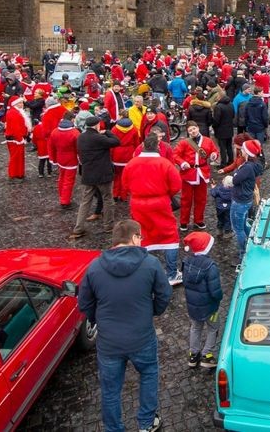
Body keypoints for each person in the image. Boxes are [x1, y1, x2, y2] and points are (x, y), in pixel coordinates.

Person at [77, 219, 171, 432]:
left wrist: (98, 320)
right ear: (135, 237)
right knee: (148, 375)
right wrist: (152, 311)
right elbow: (165, 295)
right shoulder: (151, 264)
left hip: (109, 343)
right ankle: (146, 424)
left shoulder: (95, 267)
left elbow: (85, 304)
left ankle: (114, 428)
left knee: (110, 390)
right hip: (142, 337)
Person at [122, 135, 185, 286]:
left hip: (138, 203)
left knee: (141, 234)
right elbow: (176, 185)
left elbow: (125, 185)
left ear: (143, 146)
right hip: (160, 202)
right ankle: (171, 273)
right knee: (170, 235)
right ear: (158, 146)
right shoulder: (165, 164)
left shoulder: (131, 163)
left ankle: (142, 273)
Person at [72, 112, 121, 239]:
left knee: (85, 201)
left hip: (88, 173)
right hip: (103, 174)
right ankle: (108, 226)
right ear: (97, 125)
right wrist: (107, 132)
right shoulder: (98, 138)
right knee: (107, 199)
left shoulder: (81, 137)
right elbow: (116, 141)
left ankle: (78, 228)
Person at [181, 230, 223, 370]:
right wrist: (219, 299)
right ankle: (207, 354)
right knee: (213, 328)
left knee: (195, 327)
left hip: (193, 307)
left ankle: (193, 354)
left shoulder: (186, 262)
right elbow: (215, 291)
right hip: (210, 308)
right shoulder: (210, 266)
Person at [173, 122, 220, 232]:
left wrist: (214, 155)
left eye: (194, 129)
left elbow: (214, 151)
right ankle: (184, 222)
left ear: (198, 128)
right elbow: (175, 155)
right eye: (190, 130)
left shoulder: (207, 140)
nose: (193, 131)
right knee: (186, 200)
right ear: (188, 132)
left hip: (202, 173)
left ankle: (199, 220)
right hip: (188, 173)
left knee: (201, 199)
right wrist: (182, 163)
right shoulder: (184, 143)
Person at [230, 140, 265, 259]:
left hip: (240, 202)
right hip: (246, 200)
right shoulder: (253, 165)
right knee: (244, 224)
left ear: (248, 152)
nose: (241, 150)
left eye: (243, 149)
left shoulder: (247, 168)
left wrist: (234, 174)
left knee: (238, 229)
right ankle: (252, 241)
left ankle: (243, 253)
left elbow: (235, 180)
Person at [50, 112, 81, 209]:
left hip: (60, 158)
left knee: (62, 178)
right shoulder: (75, 133)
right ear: (72, 119)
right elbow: (78, 148)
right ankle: (65, 201)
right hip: (71, 159)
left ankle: (62, 195)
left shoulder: (54, 131)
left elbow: (51, 147)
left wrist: (53, 158)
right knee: (69, 180)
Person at [3, 96, 32, 179]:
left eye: (22, 102)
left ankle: (18, 173)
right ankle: (14, 174)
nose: (22, 104)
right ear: (15, 103)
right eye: (20, 103)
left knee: (18, 157)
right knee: (15, 157)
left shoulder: (16, 111)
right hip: (16, 139)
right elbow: (16, 128)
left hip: (18, 138)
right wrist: (21, 138)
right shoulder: (13, 113)